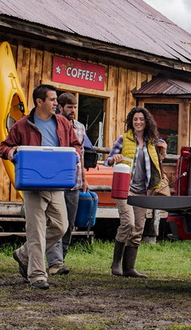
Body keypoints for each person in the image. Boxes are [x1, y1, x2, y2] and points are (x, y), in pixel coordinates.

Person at [0, 84, 82, 290]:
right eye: (52, 100)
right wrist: (13, 152)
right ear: (39, 102)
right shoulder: (22, 125)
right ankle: (37, 275)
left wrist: (75, 156)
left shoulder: (62, 123)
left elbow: (76, 144)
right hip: (32, 182)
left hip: (56, 181)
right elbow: (3, 147)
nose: (56, 104)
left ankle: (23, 253)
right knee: (35, 230)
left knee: (61, 226)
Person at [105, 106, 166, 278]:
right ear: (131, 122)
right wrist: (113, 159)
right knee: (128, 223)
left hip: (143, 191)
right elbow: (107, 161)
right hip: (125, 189)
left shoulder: (151, 142)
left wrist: (162, 155)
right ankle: (116, 263)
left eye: (141, 119)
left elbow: (155, 165)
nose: (138, 122)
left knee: (138, 229)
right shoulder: (123, 139)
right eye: (135, 119)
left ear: (147, 122)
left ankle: (129, 268)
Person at [45, 92, 91, 276]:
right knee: (57, 222)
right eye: (69, 107)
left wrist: (85, 179)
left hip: (75, 181)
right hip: (56, 181)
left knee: (69, 223)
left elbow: (81, 156)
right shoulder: (52, 125)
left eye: (75, 107)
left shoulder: (80, 127)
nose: (73, 111)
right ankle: (54, 262)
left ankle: (60, 259)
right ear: (61, 107)